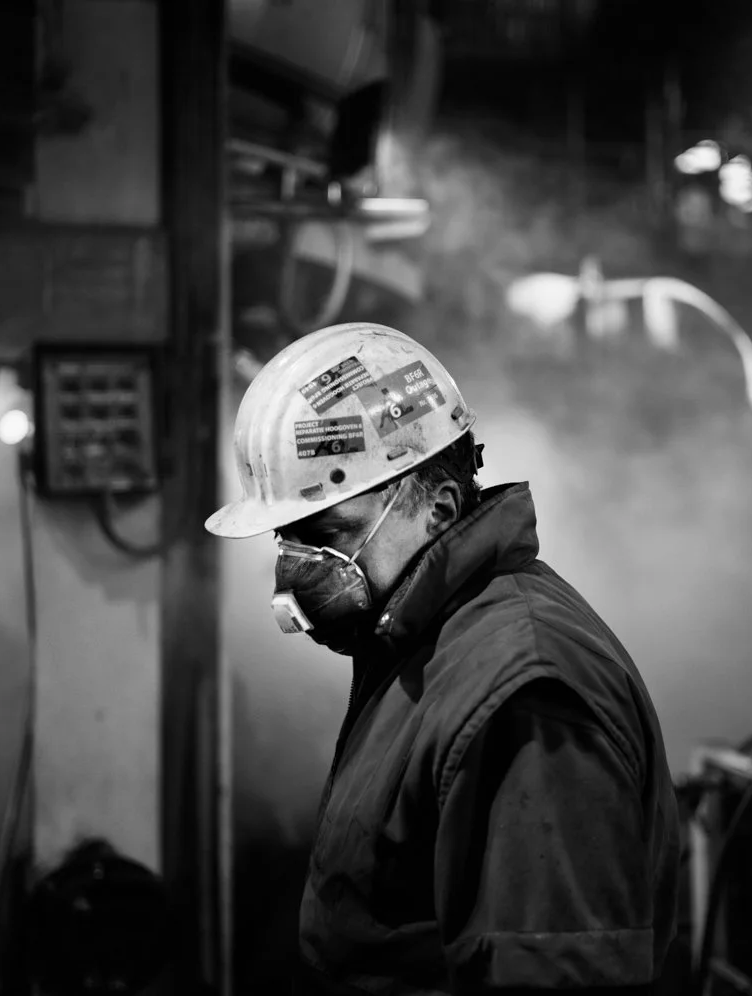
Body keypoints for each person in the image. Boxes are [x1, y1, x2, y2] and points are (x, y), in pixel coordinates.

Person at [206, 323, 683, 995]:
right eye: (287, 537)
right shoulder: (421, 644)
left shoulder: (523, 691)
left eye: (327, 532)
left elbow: (553, 969)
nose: (295, 565)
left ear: (440, 506)